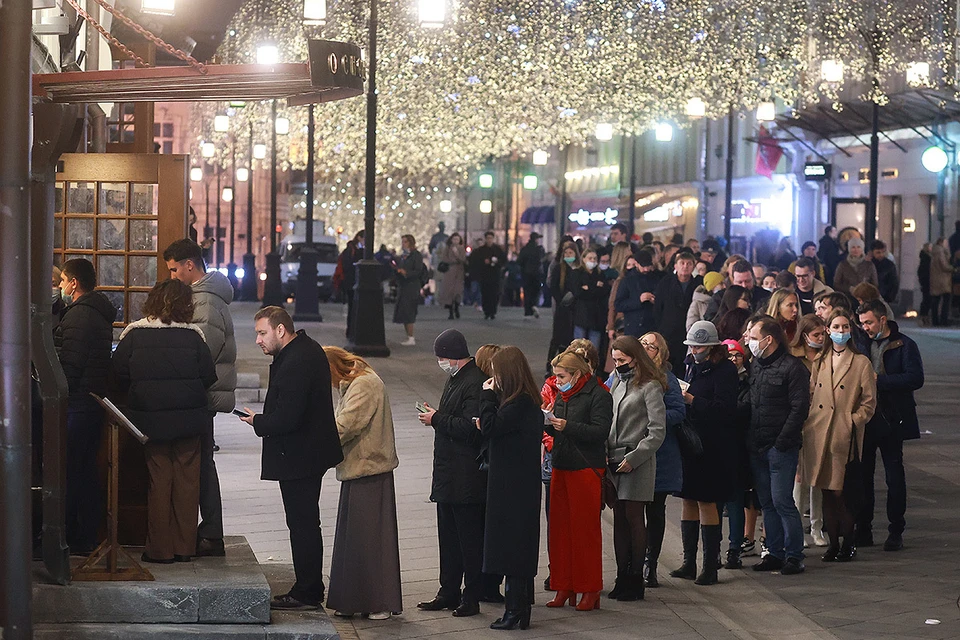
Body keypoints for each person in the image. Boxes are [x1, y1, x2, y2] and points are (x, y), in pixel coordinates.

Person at [238, 307, 344, 609]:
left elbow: (289, 417)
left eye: (262, 332)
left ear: (281, 330)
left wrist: (258, 421)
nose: (258, 339)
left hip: (302, 455)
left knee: (303, 524)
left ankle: (308, 591)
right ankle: (308, 586)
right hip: (305, 452)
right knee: (304, 522)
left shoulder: (298, 359)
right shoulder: (301, 351)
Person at [111, 279, 217, 564]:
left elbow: (118, 373)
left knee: (159, 482)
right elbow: (208, 376)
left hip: (151, 421)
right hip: (189, 422)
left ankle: (159, 550)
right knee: (187, 483)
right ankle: (184, 548)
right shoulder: (194, 336)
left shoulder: (134, 334)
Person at [164, 239, 238, 558]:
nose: (172, 276)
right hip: (202, 393)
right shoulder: (205, 297)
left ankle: (210, 533)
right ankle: (208, 531)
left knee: (201, 464)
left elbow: (200, 353)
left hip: (200, 394)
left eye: (174, 269)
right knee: (201, 461)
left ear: (190, 265)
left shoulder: (205, 301)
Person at [324, 347, 402, 620]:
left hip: (369, 469)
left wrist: (313, 438)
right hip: (358, 468)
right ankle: (353, 599)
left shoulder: (364, 384)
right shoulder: (354, 383)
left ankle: (377, 601)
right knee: (355, 540)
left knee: (370, 541)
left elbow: (346, 425)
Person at [416, 329, 490, 617]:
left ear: (452, 355)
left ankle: (470, 596)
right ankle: (447, 591)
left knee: (468, 540)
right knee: (447, 537)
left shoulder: (476, 382)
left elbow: (471, 428)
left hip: (465, 475)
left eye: (441, 357)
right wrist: (437, 416)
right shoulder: (456, 378)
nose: (440, 362)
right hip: (449, 473)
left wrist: (436, 418)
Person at [801, 308, 876, 562]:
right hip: (819, 430)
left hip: (843, 432)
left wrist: (852, 421)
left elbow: (869, 402)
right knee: (824, 490)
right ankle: (833, 543)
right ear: (828, 330)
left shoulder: (860, 362)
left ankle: (848, 542)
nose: (840, 332)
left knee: (840, 490)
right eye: (836, 327)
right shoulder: (820, 361)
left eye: (845, 327)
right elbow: (812, 394)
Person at [478, 346, 543, 630]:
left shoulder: (517, 404)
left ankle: (514, 610)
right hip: (521, 485)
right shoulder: (528, 401)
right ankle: (520, 610)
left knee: (512, 549)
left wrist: (487, 395)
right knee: (520, 547)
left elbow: (491, 427)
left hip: (511, 488)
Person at [55, 258, 116, 554]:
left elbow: (70, 364)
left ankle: (78, 535)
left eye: (62, 281)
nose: (60, 287)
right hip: (90, 402)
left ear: (74, 283)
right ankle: (86, 534)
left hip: (77, 403)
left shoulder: (80, 316)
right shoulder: (97, 312)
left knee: (73, 472)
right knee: (84, 470)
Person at [544, 350, 613, 611]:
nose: (557, 381)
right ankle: (564, 585)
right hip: (561, 466)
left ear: (576, 373)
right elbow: (559, 428)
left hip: (586, 469)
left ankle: (589, 588)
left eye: (561, 376)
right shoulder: (562, 395)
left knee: (585, 532)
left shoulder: (598, 395)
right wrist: (548, 423)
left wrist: (566, 426)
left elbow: (599, 432)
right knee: (560, 532)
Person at [671, 321, 738, 586]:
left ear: (711, 346)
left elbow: (724, 410)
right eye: (692, 346)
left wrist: (692, 401)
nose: (694, 350)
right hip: (690, 442)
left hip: (713, 445)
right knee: (688, 499)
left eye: (699, 346)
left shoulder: (725, 371)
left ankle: (710, 564)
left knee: (707, 502)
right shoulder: (690, 365)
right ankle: (689, 561)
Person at [855, 301, 924, 551]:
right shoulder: (861, 343)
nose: (865, 328)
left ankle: (896, 530)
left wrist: (880, 381)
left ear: (883, 320)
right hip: (866, 418)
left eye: (869, 322)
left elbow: (915, 378)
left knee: (894, 476)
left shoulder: (904, 344)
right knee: (863, 476)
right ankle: (863, 528)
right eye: (862, 323)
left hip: (893, 418)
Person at [745, 316, 811, 575]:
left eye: (752, 337)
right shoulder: (757, 365)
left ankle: (794, 555)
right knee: (767, 503)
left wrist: (782, 441)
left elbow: (799, 408)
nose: (749, 342)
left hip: (780, 447)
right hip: (757, 445)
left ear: (768, 339)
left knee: (783, 500)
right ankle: (774, 552)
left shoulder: (792, 368)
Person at [606, 336, 666, 602]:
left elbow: (657, 431)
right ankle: (621, 576)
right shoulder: (617, 382)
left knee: (634, 517)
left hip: (637, 460)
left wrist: (636, 456)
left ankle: (635, 578)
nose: (617, 364)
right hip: (613, 459)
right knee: (619, 517)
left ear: (634, 357)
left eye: (622, 360)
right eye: (615, 359)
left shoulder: (650, 386)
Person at [636, 333, 684, 588]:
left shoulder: (667, 379)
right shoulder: (625, 374)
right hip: (632, 453)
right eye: (641, 343)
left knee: (655, 511)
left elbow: (678, 412)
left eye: (651, 346)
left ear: (660, 353)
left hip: (660, 455)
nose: (645, 348)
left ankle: (650, 563)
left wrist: (653, 416)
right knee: (632, 512)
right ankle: (633, 561)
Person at [788, 314, 828, 548]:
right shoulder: (794, 358)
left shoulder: (827, 357)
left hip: (820, 421)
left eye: (823, 334)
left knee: (817, 477)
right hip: (798, 421)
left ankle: (816, 527)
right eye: (816, 335)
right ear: (804, 336)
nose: (821, 338)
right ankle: (796, 530)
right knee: (798, 478)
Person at [718, 338, 752, 569]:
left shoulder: (748, 382)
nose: (733, 359)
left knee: (736, 500)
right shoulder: (718, 379)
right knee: (717, 503)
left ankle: (735, 549)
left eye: (737, 355)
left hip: (740, 448)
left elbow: (743, 411)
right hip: (719, 447)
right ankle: (714, 549)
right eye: (729, 354)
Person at [654, 251, 702, 375]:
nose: (685, 266)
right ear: (675, 266)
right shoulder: (666, 282)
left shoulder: (698, 284)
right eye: (682, 263)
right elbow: (658, 308)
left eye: (689, 264)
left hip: (689, 331)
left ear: (693, 266)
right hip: (668, 331)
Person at [548, 242, 580, 370]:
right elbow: (553, 287)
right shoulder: (558, 268)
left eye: (570, 253)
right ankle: (549, 363)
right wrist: (562, 300)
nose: (568, 255)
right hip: (562, 308)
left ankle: (567, 363)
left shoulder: (578, 269)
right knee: (557, 337)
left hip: (575, 308)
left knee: (570, 337)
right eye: (566, 253)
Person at [571, 247, 609, 350]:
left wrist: (588, 288)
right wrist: (595, 287)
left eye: (595, 259)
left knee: (593, 349)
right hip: (582, 314)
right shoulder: (577, 273)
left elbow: (604, 291)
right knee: (579, 348)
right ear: (583, 259)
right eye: (590, 258)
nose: (592, 261)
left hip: (596, 315)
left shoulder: (600, 274)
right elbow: (578, 293)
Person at [616, 251, 660, 339]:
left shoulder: (656, 278)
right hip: (633, 328)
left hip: (652, 326)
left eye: (648, 266)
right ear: (636, 264)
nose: (646, 269)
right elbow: (619, 305)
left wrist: (656, 300)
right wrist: (639, 300)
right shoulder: (627, 281)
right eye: (643, 266)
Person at [393, 234, 426, 346]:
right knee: (404, 311)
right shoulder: (404, 256)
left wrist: (406, 273)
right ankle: (408, 336)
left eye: (405, 242)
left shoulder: (416, 255)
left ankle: (411, 337)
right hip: (404, 286)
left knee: (409, 311)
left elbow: (418, 270)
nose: (403, 244)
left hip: (412, 286)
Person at [472, 231, 507, 320]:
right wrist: (484, 262)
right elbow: (476, 261)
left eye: (491, 238)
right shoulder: (481, 250)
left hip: (495, 274)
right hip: (485, 275)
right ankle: (487, 311)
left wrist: (496, 262)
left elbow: (503, 261)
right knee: (485, 293)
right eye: (488, 238)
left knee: (494, 293)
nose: (489, 240)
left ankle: (493, 311)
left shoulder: (498, 249)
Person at [339, 231, 364, 340]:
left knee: (353, 308)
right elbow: (348, 265)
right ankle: (352, 331)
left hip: (351, 283)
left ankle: (352, 331)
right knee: (353, 308)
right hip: (352, 283)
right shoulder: (353, 250)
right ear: (359, 238)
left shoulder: (351, 249)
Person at [437, 233, 467, 320]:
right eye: (454, 239)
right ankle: (450, 311)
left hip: (459, 272)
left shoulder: (461, 248)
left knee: (457, 291)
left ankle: (456, 307)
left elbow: (463, 259)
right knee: (449, 291)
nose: (455, 241)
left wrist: (457, 255)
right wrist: (452, 260)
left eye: (457, 239)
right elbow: (444, 258)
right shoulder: (448, 248)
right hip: (450, 271)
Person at [518, 232, 546, 319]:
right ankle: (534, 304)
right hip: (537, 274)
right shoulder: (539, 249)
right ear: (536, 239)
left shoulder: (524, 249)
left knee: (527, 292)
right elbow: (542, 259)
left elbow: (519, 261)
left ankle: (527, 311)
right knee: (536, 291)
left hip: (526, 274)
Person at [929, 237, 954, 326]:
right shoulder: (940, 252)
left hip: (936, 280)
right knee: (945, 301)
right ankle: (943, 320)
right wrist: (953, 269)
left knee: (936, 300)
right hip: (943, 280)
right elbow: (944, 266)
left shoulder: (934, 252)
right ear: (941, 242)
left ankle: (935, 320)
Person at [917, 243, 933, 327]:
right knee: (926, 299)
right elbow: (923, 272)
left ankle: (924, 317)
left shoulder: (925, 258)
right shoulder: (926, 259)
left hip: (926, 282)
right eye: (930, 247)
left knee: (927, 299)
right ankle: (923, 316)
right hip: (926, 282)